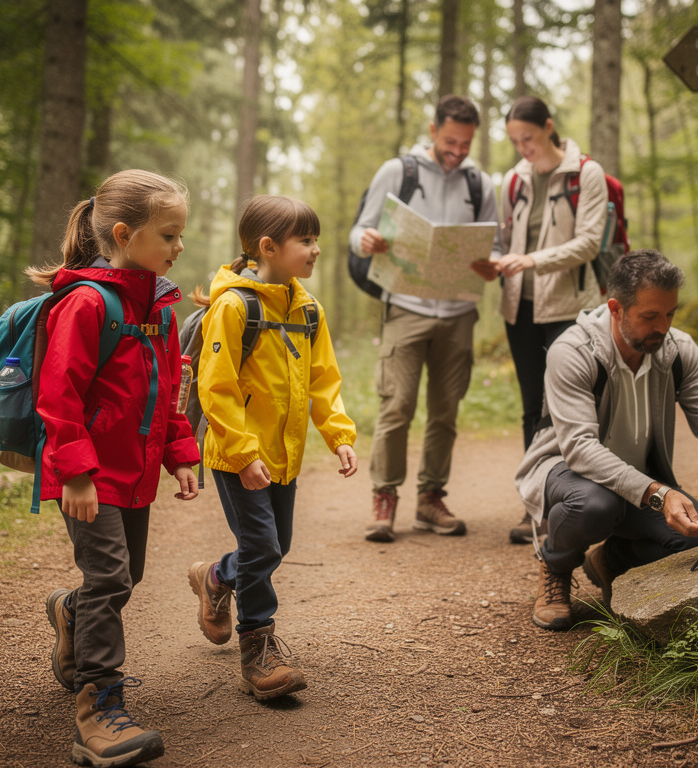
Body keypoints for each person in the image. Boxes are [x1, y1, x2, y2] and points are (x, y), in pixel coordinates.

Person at [513, 249, 698, 631]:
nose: (662, 327)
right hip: (569, 473)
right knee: (594, 505)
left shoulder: (678, 350)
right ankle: (556, 566)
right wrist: (659, 493)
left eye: (670, 314)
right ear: (616, 309)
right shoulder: (573, 351)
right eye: (650, 316)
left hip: (640, 482)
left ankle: (611, 560)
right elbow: (580, 448)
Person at [31, 169, 201, 767]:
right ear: (125, 235)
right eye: (169, 235)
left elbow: (172, 390)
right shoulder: (85, 303)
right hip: (88, 473)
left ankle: (70, 613)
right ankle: (97, 709)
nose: (179, 246)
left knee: (128, 574)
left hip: (136, 471)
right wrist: (76, 472)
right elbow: (57, 395)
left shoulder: (161, 307)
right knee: (109, 577)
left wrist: (181, 453)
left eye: (181, 235)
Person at [187, 195, 358, 700]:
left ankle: (216, 577)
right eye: (305, 240)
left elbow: (324, 380)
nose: (316, 249)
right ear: (268, 247)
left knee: (276, 544)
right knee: (262, 545)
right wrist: (243, 453)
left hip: (284, 455)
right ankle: (258, 650)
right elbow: (215, 388)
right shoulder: (233, 307)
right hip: (237, 454)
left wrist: (339, 435)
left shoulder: (308, 310)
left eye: (315, 239)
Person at [350, 94, 502, 543]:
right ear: (433, 131)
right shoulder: (398, 171)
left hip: (458, 312)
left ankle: (430, 498)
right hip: (405, 307)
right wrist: (367, 240)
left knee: (445, 411)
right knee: (396, 405)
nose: (457, 151)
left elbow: (495, 243)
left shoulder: (480, 183)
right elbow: (359, 230)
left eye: (466, 144)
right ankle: (384, 497)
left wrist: (492, 263)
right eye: (450, 141)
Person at [477, 96, 609, 545]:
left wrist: (531, 260)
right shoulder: (514, 179)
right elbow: (504, 241)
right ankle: (535, 505)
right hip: (520, 308)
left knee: (564, 409)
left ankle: (567, 504)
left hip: (569, 308)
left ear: (549, 127)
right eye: (515, 141)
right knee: (532, 406)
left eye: (528, 138)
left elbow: (588, 243)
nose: (523, 148)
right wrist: (494, 262)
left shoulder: (585, 174)